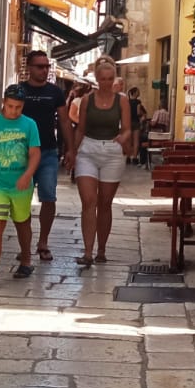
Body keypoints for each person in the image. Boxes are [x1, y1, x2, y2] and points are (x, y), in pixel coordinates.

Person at [66, 55, 132, 266]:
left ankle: (101, 249)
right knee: (89, 201)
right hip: (89, 149)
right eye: (103, 79)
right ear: (97, 79)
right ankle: (87, 252)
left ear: (114, 79)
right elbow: (81, 129)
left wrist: (123, 138)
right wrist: (72, 151)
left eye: (110, 78)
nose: (106, 82)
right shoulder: (87, 100)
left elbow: (127, 128)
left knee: (105, 203)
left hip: (112, 152)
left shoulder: (122, 100)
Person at [0, 83, 40, 291]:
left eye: (18, 107)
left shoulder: (29, 125)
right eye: (11, 106)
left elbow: (35, 153)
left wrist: (27, 175)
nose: (14, 111)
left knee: (22, 223)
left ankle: (26, 259)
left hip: (21, 185)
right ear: (3, 102)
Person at [18, 50, 69, 263]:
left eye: (47, 66)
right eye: (40, 66)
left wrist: (70, 149)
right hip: (22, 153)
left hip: (48, 151)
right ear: (29, 68)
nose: (44, 70)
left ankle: (43, 242)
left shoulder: (55, 92)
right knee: (22, 200)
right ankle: (25, 244)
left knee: (48, 196)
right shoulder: (19, 90)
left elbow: (64, 121)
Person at [126, 86, 149, 165]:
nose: (139, 93)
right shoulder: (138, 102)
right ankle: (135, 158)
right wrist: (142, 115)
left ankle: (128, 157)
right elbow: (138, 112)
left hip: (128, 122)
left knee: (129, 141)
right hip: (136, 122)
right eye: (138, 91)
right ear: (135, 93)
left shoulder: (127, 101)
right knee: (136, 141)